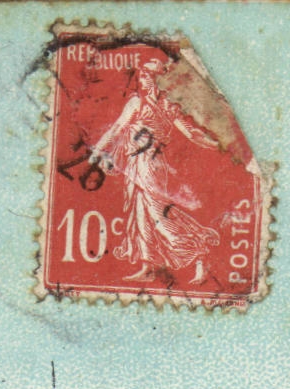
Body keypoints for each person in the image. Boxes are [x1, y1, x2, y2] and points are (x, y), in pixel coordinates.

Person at [88, 58, 222, 285]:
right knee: (140, 214)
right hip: (133, 163)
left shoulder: (168, 107)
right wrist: (97, 151)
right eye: (144, 77)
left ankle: (200, 253)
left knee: (158, 213)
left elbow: (191, 132)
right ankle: (148, 266)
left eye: (150, 77)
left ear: (160, 81)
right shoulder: (135, 103)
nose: (146, 81)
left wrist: (217, 144)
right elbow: (117, 129)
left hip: (153, 165)